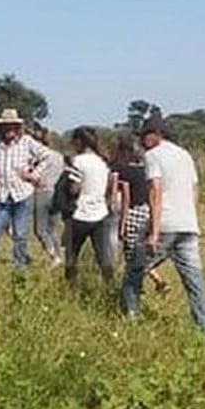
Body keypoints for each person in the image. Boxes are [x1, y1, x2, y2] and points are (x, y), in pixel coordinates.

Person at [121, 113, 205, 332]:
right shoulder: (185, 155)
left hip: (164, 226)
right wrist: (192, 220)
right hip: (188, 226)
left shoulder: (154, 155)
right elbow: (194, 190)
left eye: (145, 135)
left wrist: (153, 233)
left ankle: (130, 322)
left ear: (157, 135)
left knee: (133, 272)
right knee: (195, 282)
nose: (142, 141)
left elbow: (155, 191)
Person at [0, 108, 57, 267]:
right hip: (2, 195)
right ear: (0, 127)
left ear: (17, 126)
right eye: (5, 126)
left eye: (12, 125)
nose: (9, 129)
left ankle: (19, 266)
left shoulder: (26, 141)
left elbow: (47, 156)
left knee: (20, 234)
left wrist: (33, 174)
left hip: (22, 194)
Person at [111, 136, 168, 293]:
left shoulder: (123, 171)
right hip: (147, 212)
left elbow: (126, 199)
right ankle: (155, 281)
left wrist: (122, 225)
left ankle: (136, 287)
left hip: (132, 212)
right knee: (141, 252)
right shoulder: (144, 170)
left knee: (131, 255)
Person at [63, 126, 115, 284]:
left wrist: (66, 185)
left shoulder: (78, 161)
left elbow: (74, 189)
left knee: (71, 256)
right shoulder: (103, 162)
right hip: (100, 213)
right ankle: (110, 286)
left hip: (80, 213)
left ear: (79, 142)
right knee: (103, 257)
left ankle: (71, 288)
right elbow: (109, 187)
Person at [31, 124, 66, 267]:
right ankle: (59, 254)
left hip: (42, 192)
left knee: (40, 229)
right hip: (56, 193)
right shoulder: (59, 156)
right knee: (52, 229)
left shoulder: (39, 157)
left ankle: (53, 255)